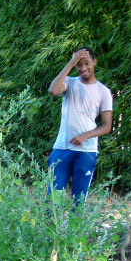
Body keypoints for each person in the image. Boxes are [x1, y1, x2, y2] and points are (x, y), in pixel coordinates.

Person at [47, 46, 113, 205]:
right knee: (54, 197)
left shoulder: (103, 91)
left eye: (86, 63)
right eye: (79, 64)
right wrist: (70, 63)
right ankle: (50, 229)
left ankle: (75, 229)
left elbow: (107, 126)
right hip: (62, 147)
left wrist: (87, 135)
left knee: (79, 199)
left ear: (94, 62)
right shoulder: (70, 82)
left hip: (86, 151)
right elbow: (53, 90)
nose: (83, 68)